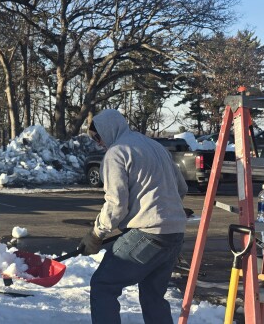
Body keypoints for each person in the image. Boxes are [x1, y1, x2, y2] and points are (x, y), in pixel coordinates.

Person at [79, 109, 188, 324]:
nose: (99, 143)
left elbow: (116, 205)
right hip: (174, 233)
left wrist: (96, 234)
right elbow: (181, 188)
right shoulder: (154, 146)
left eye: (98, 136)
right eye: (94, 139)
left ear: (107, 130)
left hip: (147, 234)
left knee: (103, 285)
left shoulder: (117, 152)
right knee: (153, 296)